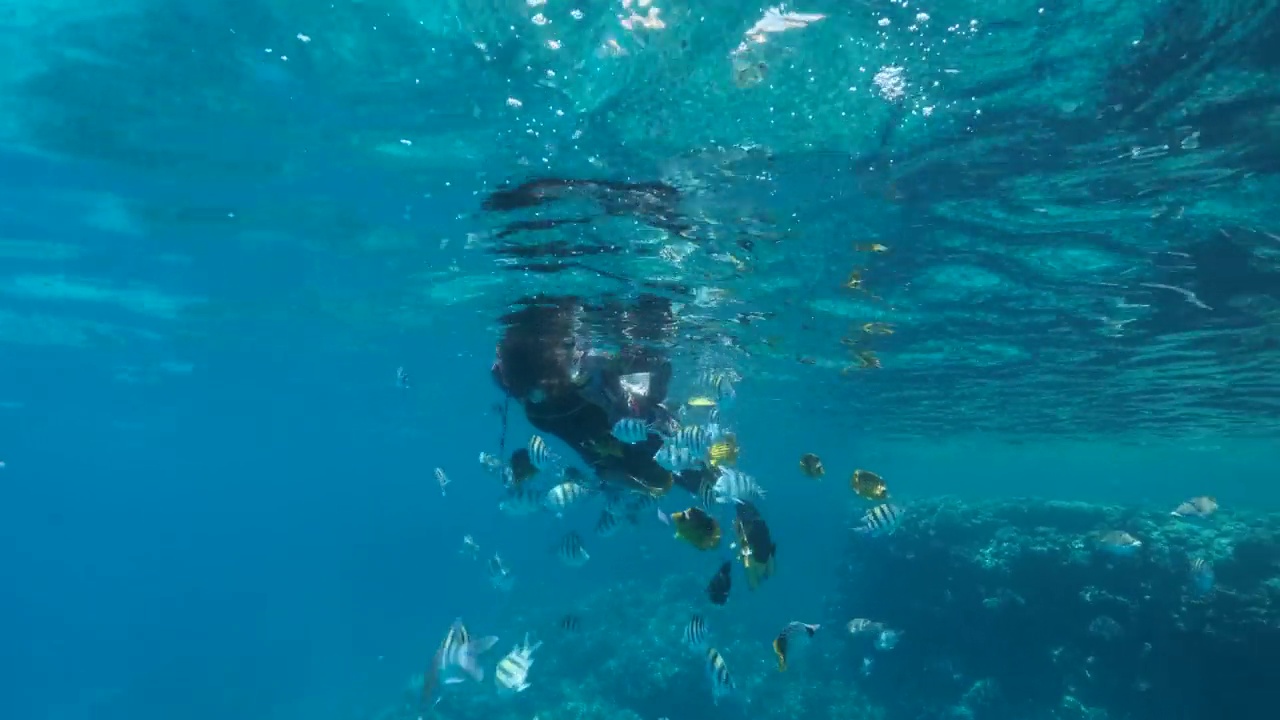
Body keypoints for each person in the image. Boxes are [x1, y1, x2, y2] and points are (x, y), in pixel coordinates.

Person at [491, 295, 708, 496]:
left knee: (667, 451)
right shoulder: (579, 380)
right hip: (602, 427)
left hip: (589, 425)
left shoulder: (547, 392)